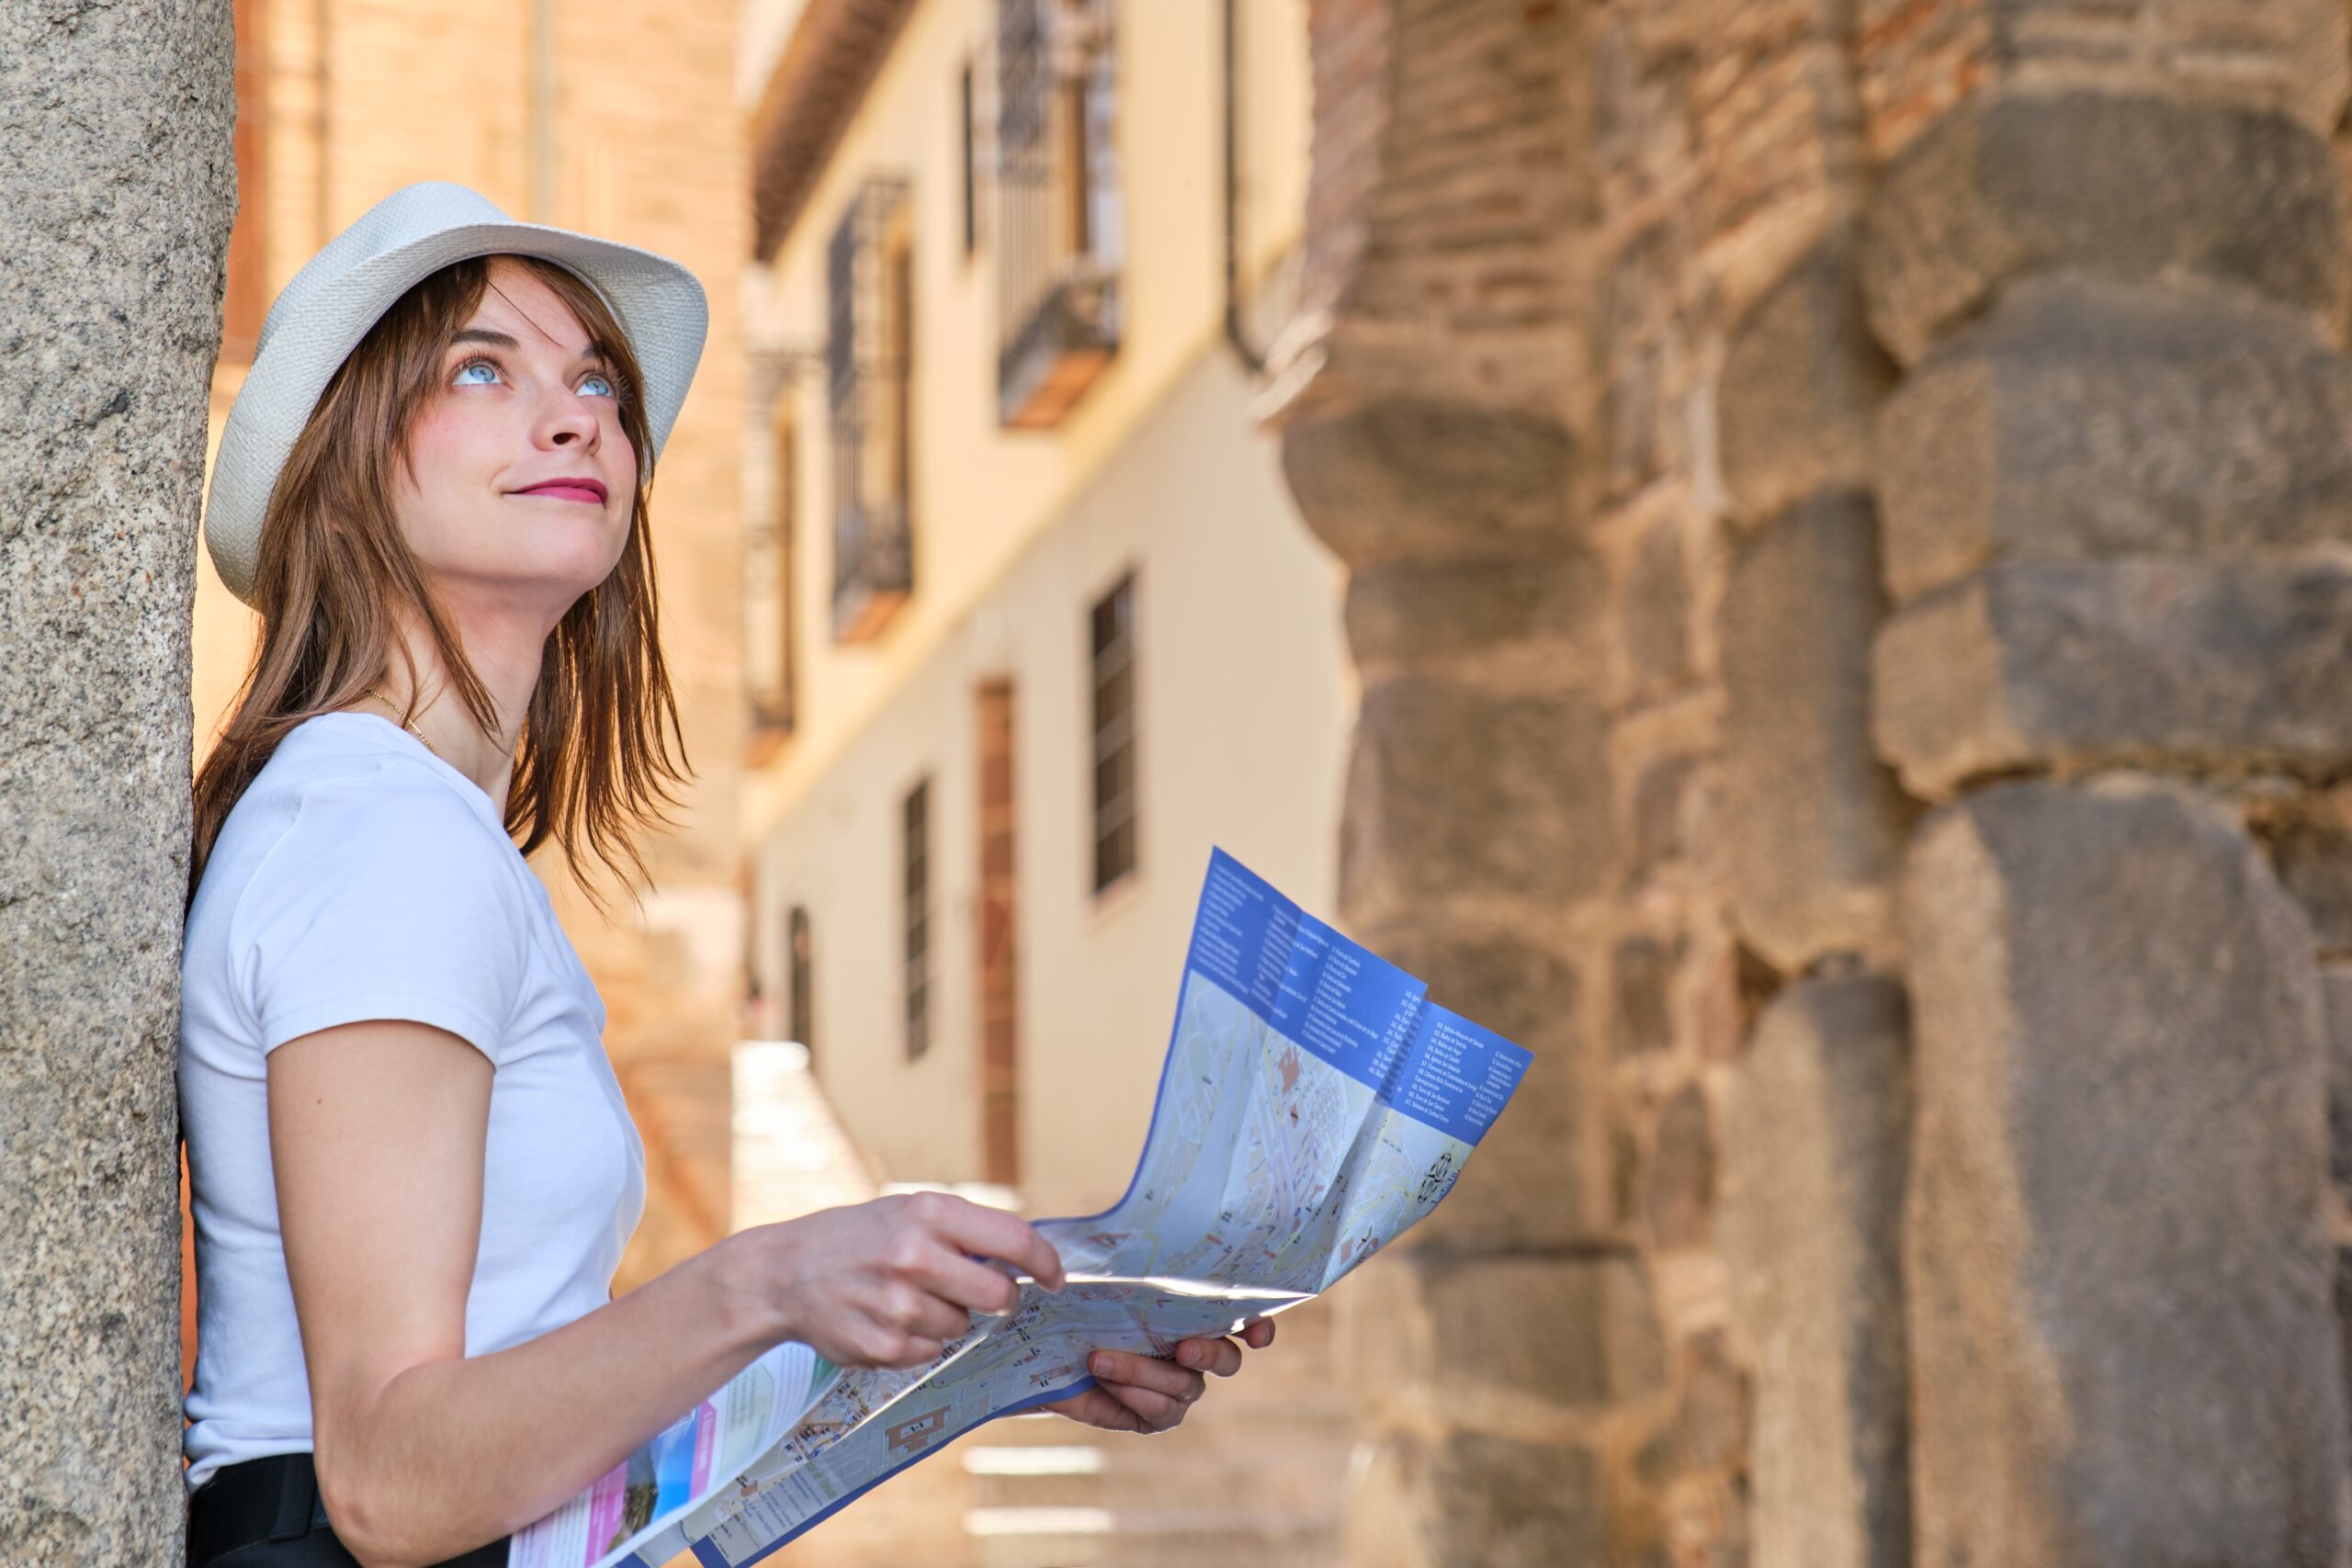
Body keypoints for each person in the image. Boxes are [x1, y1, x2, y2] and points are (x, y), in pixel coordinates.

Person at [178, 183, 1273, 1568]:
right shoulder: (379, 832)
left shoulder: (403, 826)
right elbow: (393, 1479)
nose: (576, 414)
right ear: (344, 464)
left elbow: (519, 1425)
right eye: (479, 367)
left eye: (594, 379)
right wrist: (764, 1278)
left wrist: (1007, 1343)